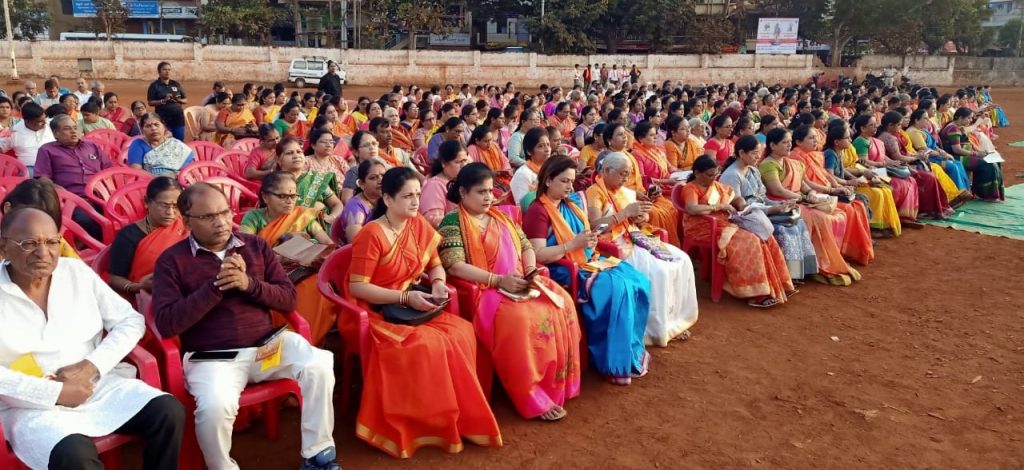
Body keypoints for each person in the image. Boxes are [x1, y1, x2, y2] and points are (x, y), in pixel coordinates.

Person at [151, 183, 340, 470]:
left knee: (319, 364)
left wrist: (248, 284)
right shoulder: (171, 260)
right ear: (187, 221)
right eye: (209, 217)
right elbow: (166, 324)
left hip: (267, 347)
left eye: (225, 213)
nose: (221, 222)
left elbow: (288, 299)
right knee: (215, 407)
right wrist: (216, 287)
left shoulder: (255, 246)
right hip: (213, 358)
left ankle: (317, 454)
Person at [0, 207, 184, 470]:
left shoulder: (75, 272)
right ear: (4, 247)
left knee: (167, 411)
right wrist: (55, 392)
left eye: (52, 242)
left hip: (96, 385)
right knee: (75, 455)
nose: (43, 253)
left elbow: (130, 320)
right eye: (29, 244)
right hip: (30, 404)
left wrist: (91, 366)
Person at [342, 166, 502, 458]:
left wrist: (439, 283)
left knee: (462, 331)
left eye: (418, 194)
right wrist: (405, 296)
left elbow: (434, 264)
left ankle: (456, 418)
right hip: (375, 310)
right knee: (428, 344)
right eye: (408, 196)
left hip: (411, 305)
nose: (416, 202)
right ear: (388, 200)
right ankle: (418, 424)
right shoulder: (372, 234)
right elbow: (358, 288)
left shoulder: (417, 225)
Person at [439, 162, 581, 421]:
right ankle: (530, 392)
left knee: (562, 302)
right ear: (462, 193)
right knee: (521, 320)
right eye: (481, 192)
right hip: (486, 289)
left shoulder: (501, 217)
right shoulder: (451, 222)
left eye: (491, 191)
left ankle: (557, 384)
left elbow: (526, 246)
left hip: (518, 279)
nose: (488, 197)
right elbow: (455, 266)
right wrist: (498, 280)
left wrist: (530, 271)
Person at [523, 156, 651, 384]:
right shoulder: (538, 211)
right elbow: (538, 255)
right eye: (564, 181)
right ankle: (611, 362)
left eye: (572, 182)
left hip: (585, 258)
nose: (570, 188)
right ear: (548, 180)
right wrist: (573, 245)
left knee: (637, 279)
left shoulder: (568, 204)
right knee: (616, 288)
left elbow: (584, 234)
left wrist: (589, 241)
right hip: (561, 267)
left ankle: (629, 353)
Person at [586, 152, 698, 344]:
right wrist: (624, 214)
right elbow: (596, 226)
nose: (625, 179)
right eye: (621, 174)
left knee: (683, 260)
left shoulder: (625, 192)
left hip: (636, 235)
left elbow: (634, 218)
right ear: (605, 171)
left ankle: (674, 322)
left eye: (628, 174)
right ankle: (653, 328)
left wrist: (639, 217)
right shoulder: (594, 192)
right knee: (660, 272)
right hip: (614, 244)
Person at [681, 155, 795, 307]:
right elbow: (692, 208)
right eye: (710, 175)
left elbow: (734, 196)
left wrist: (742, 206)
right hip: (702, 227)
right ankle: (755, 293)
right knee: (749, 241)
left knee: (762, 235)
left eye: (716, 174)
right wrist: (719, 207)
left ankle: (776, 284)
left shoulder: (716, 185)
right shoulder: (691, 188)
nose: (714, 178)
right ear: (697, 173)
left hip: (725, 224)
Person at [239, 172, 337, 345]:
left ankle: (310, 341)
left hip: (304, 270)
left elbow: (328, 245)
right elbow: (245, 250)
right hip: (269, 272)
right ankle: (285, 340)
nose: (290, 201)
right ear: (266, 197)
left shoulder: (303, 216)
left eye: (293, 195)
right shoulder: (254, 218)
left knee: (320, 287)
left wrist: (317, 254)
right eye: (283, 196)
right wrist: (277, 256)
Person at [759, 128, 862, 286]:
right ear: (772, 145)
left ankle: (828, 258)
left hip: (799, 201)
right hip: (781, 204)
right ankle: (822, 264)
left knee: (838, 213)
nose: (789, 145)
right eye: (785, 142)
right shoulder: (768, 164)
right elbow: (777, 190)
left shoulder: (795, 163)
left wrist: (812, 194)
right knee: (820, 218)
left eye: (789, 142)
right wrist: (803, 198)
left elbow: (804, 186)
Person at [720, 135, 819, 281]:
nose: (758, 156)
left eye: (759, 152)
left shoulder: (753, 170)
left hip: (761, 212)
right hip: (745, 218)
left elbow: (763, 198)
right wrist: (772, 210)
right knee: (784, 229)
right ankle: (787, 275)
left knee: (799, 223)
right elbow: (742, 208)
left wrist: (780, 205)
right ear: (741, 153)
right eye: (754, 153)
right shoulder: (732, 175)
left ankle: (802, 271)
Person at [788, 126, 875, 267]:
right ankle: (833, 254)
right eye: (811, 138)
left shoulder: (814, 154)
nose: (815, 140)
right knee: (849, 209)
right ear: (798, 141)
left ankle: (847, 250)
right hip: (812, 196)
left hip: (824, 192)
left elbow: (826, 174)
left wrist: (838, 187)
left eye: (816, 137)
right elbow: (807, 183)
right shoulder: (795, 156)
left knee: (857, 204)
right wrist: (831, 190)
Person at [107, 177, 187, 298]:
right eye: (164, 205)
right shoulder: (128, 236)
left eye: (176, 206)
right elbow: (115, 278)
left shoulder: (186, 226)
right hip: (145, 298)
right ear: (146, 202)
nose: (170, 212)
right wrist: (137, 287)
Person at [822, 122, 903, 238]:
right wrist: (850, 182)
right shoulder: (830, 154)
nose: (850, 140)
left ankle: (883, 225)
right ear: (837, 142)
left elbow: (842, 170)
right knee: (875, 194)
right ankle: (871, 228)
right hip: (838, 187)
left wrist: (857, 179)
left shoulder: (838, 152)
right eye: (847, 137)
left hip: (847, 182)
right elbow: (828, 175)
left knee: (884, 189)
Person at [876, 111, 952, 219]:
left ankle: (934, 208)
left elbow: (904, 153)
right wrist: (917, 157)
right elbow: (899, 157)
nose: (900, 126)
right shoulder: (888, 137)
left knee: (930, 174)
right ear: (890, 125)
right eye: (898, 124)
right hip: (895, 167)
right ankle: (926, 209)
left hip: (901, 164)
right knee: (928, 177)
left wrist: (916, 155)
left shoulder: (894, 134)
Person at [851, 114, 923, 226]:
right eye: (872, 125)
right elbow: (863, 162)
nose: (875, 127)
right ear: (862, 128)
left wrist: (893, 163)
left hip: (881, 169)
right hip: (870, 172)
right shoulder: (860, 142)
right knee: (899, 184)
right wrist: (882, 164)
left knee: (911, 180)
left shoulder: (875, 140)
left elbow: (884, 157)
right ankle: (897, 217)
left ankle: (906, 216)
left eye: (876, 125)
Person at [1, 179, 81, 259]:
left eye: (49, 242)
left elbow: (78, 267)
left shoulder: (57, 242)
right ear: (8, 209)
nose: (43, 253)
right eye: (29, 243)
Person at [940, 107, 1004, 201]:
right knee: (988, 164)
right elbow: (957, 150)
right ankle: (986, 195)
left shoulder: (956, 126)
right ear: (960, 118)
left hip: (965, 154)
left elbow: (967, 143)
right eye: (969, 118)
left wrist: (981, 152)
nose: (970, 120)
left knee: (995, 161)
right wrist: (976, 154)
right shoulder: (953, 128)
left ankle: (980, 191)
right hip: (958, 157)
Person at [276, 137, 343, 226]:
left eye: (299, 152)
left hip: (319, 231)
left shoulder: (317, 179)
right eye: (289, 153)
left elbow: (337, 204)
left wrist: (331, 217)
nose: (296, 156)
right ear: (278, 160)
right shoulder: (274, 183)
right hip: (285, 230)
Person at [420, 140, 472, 227]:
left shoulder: (462, 180)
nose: (464, 165)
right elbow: (432, 220)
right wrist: (465, 222)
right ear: (444, 163)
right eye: (458, 162)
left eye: (465, 161)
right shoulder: (434, 186)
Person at [128, 113, 195, 177]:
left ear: (164, 127)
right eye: (148, 126)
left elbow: (189, 167)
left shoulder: (175, 144)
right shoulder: (138, 144)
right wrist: (159, 178)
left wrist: (179, 175)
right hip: (150, 183)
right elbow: (136, 170)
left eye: (156, 124)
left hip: (179, 179)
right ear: (142, 130)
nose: (153, 128)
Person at [337, 158, 386, 244]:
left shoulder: (388, 199)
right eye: (373, 178)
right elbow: (356, 242)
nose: (380, 180)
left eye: (383, 176)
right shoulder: (355, 206)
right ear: (361, 184)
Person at [0, 102, 54, 175]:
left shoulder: (51, 125)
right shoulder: (14, 132)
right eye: (39, 121)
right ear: (27, 121)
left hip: (54, 164)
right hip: (29, 168)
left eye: (44, 119)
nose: (44, 122)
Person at [510, 127, 550, 210]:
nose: (547, 149)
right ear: (529, 151)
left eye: (548, 145)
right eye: (541, 146)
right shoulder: (523, 174)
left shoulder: (551, 169)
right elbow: (523, 207)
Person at [147, 62, 188, 141]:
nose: (167, 71)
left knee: (179, 142)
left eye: (169, 70)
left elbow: (185, 100)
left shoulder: (176, 84)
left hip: (178, 119)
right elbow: (150, 102)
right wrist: (163, 100)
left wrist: (178, 100)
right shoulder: (154, 85)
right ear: (159, 72)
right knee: (164, 142)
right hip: (163, 119)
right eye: (164, 69)